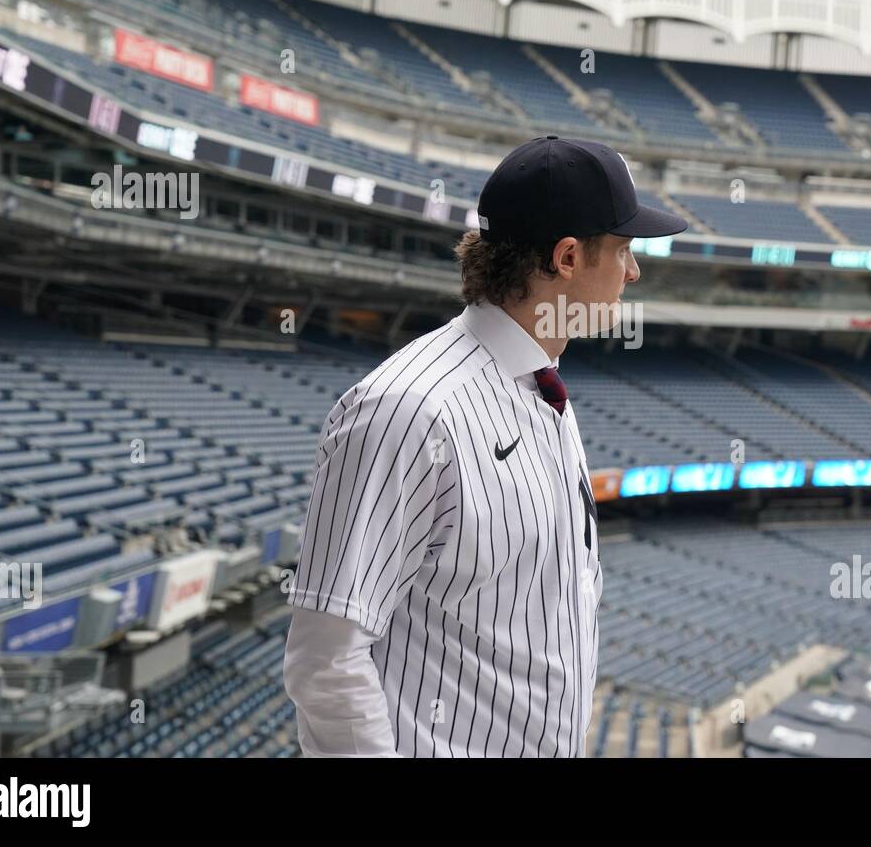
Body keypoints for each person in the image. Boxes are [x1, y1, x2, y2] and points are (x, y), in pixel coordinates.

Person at [282, 135, 688, 756]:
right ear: (569, 257)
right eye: (626, 249)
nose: (633, 272)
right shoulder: (409, 409)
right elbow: (326, 657)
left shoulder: (543, 387)